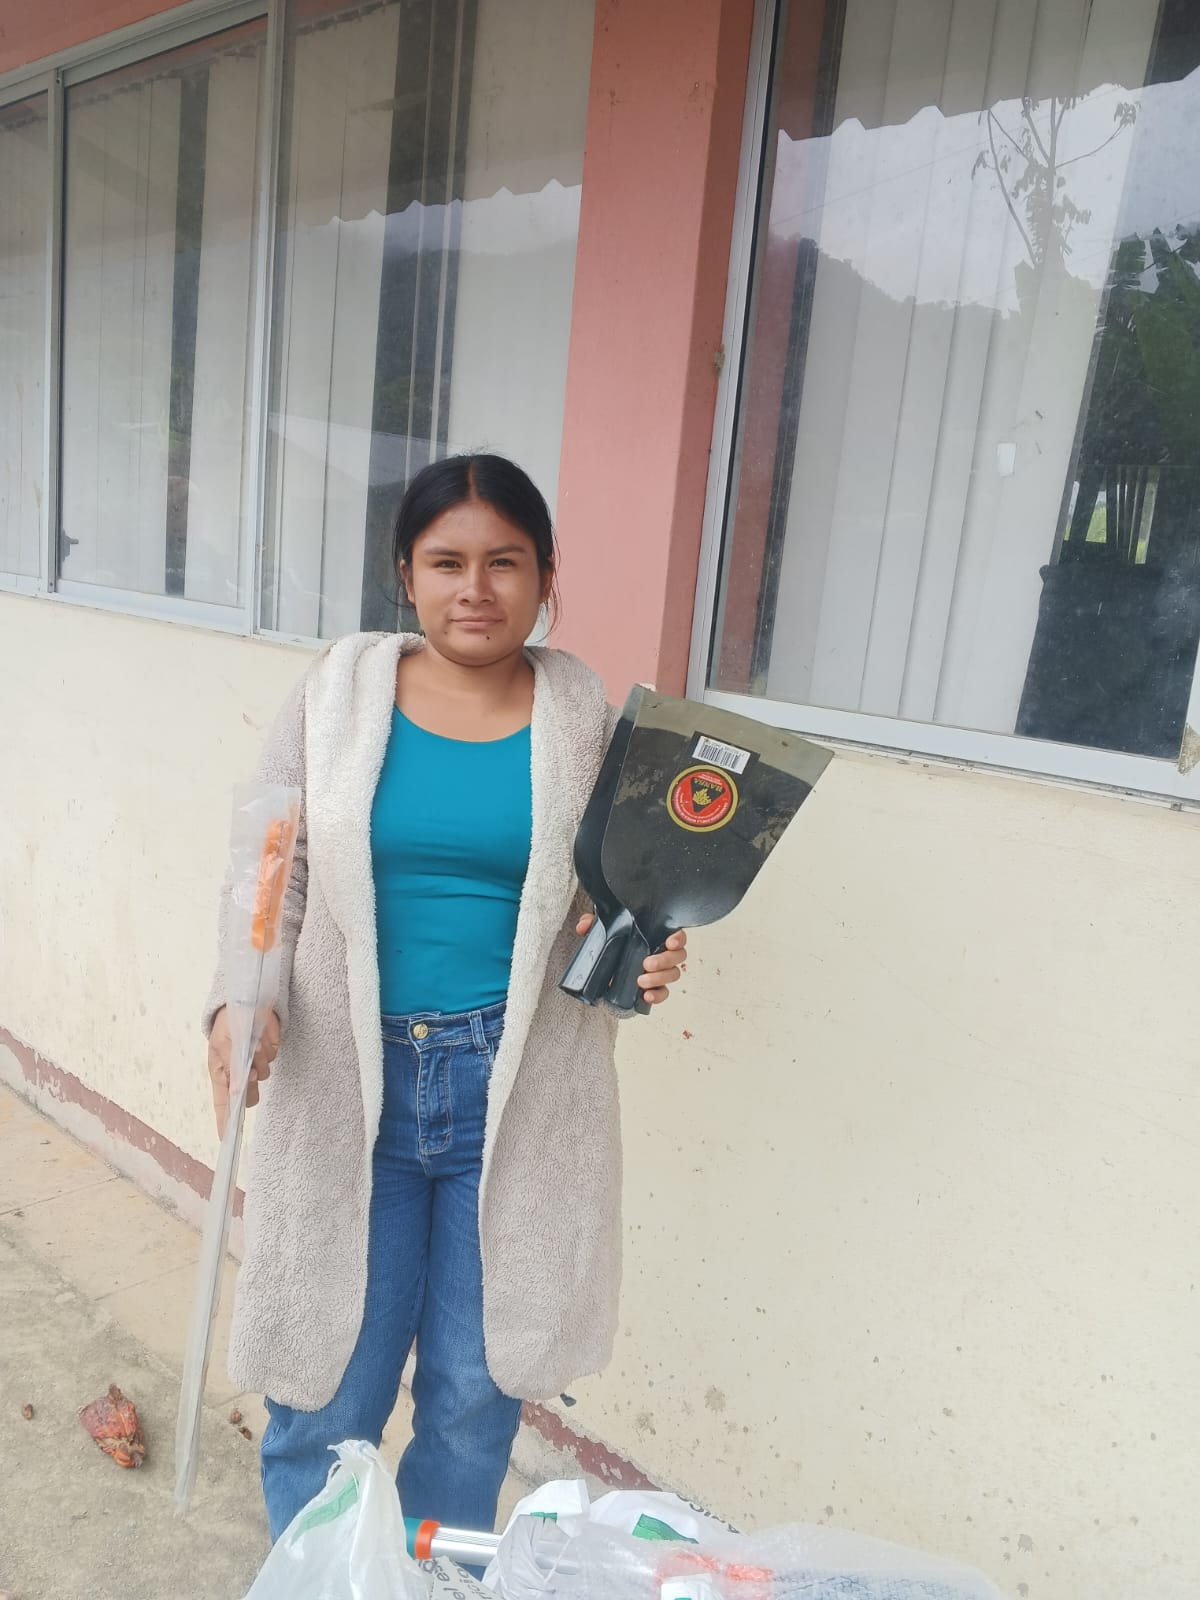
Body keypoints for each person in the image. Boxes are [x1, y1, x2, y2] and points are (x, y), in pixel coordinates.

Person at [203, 453, 688, 1541]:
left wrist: (642, 959)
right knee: (326, 1392)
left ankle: (435, 1578)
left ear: (547, 576)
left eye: (505, 562)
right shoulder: (335, 694)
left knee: (473, 1402)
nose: (476, 588)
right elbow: (272, 864)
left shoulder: (583, 717)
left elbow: (615, 902)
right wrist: (247, 998)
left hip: (513, 1093)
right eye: (447, 562)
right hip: (350, 1081)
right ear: (406, 575)